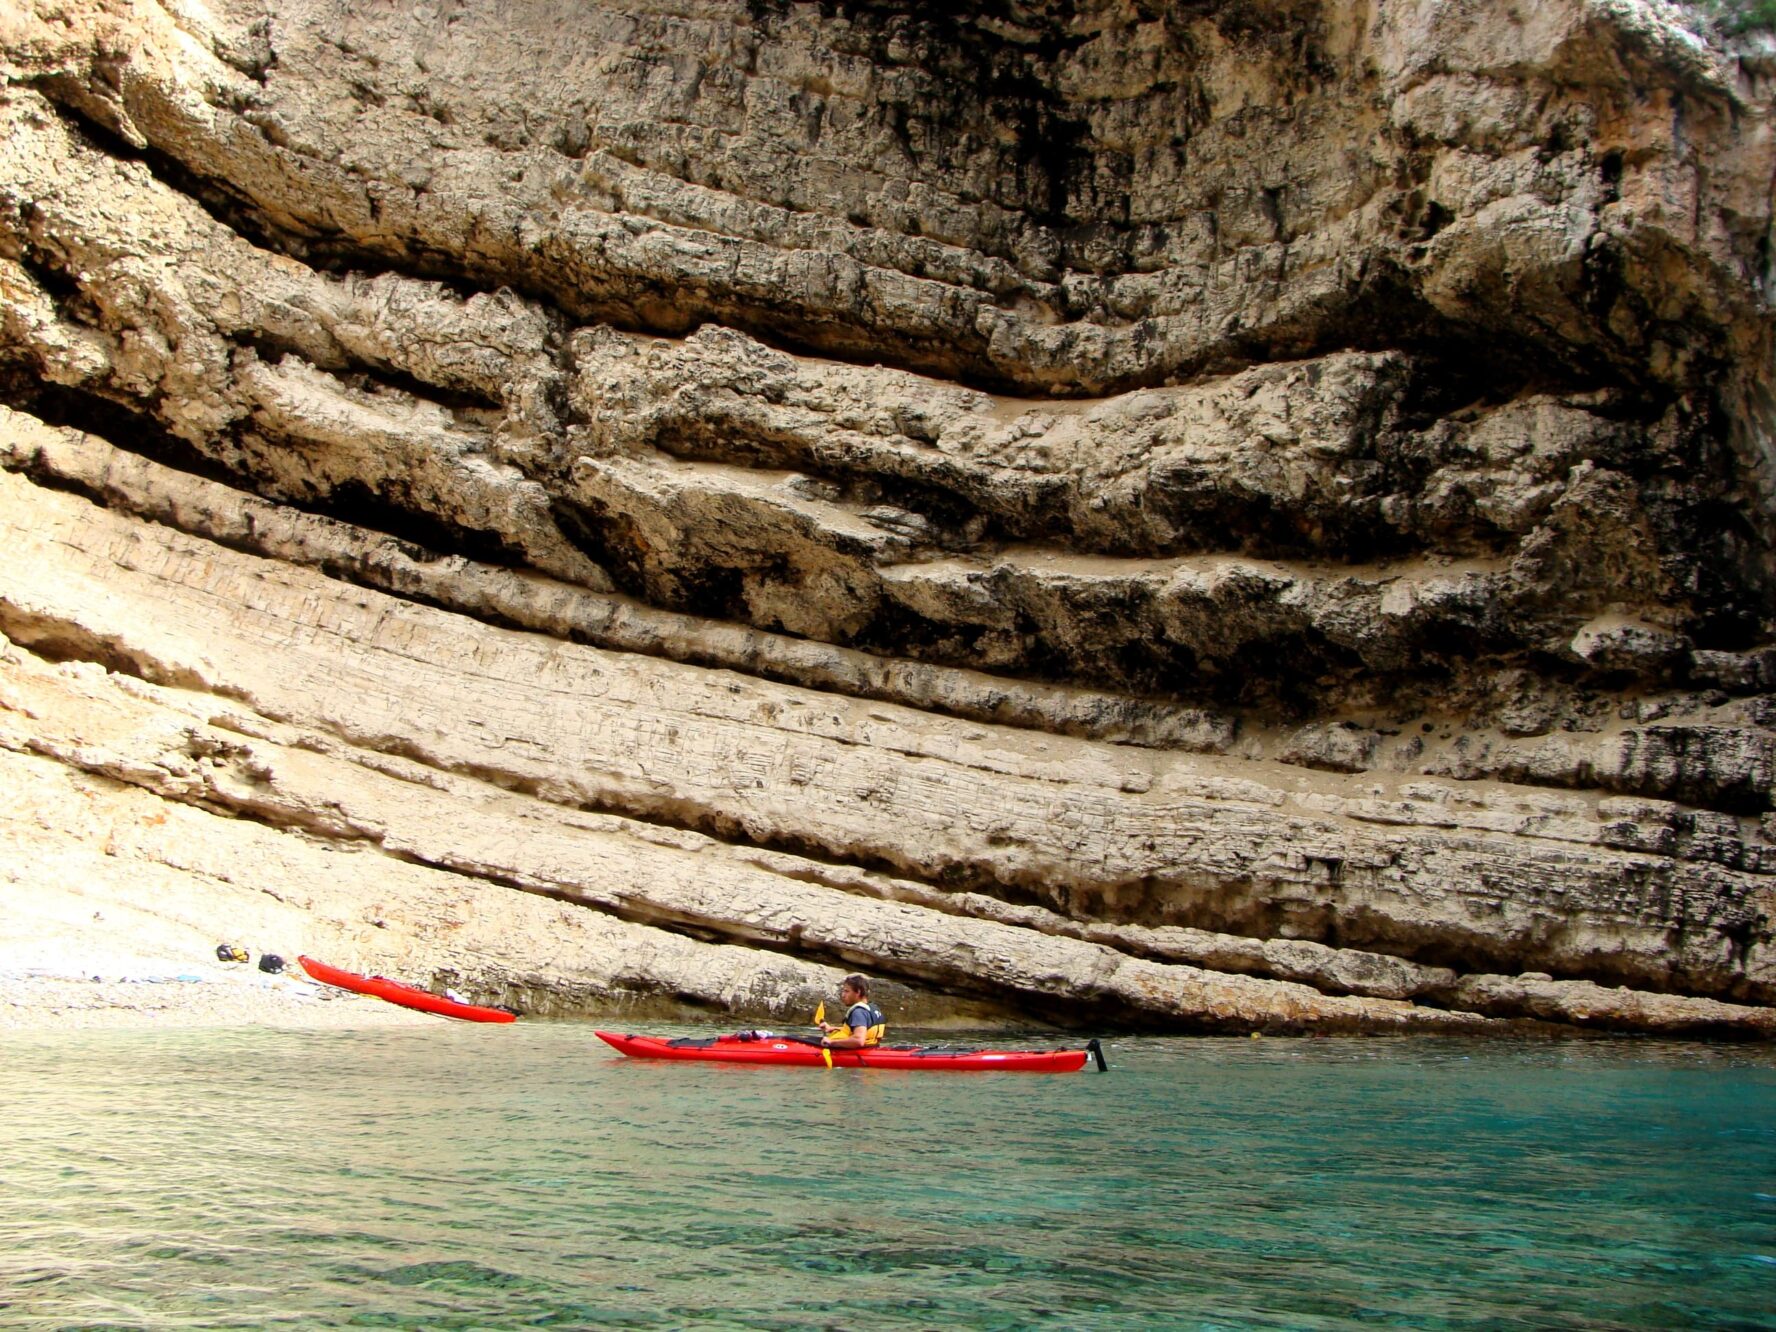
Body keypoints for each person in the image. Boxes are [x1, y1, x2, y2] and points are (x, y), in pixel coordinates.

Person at [819, 974, 886, 1049]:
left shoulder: (859, 1012)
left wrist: (831, 1042)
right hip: (871, 1048)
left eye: (847, 991)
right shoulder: (872, 1008)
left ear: (858, 992)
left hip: (854, 1052)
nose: (843, 995)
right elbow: (860, 1030)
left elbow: (858, 1040)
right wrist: (831, 1028)